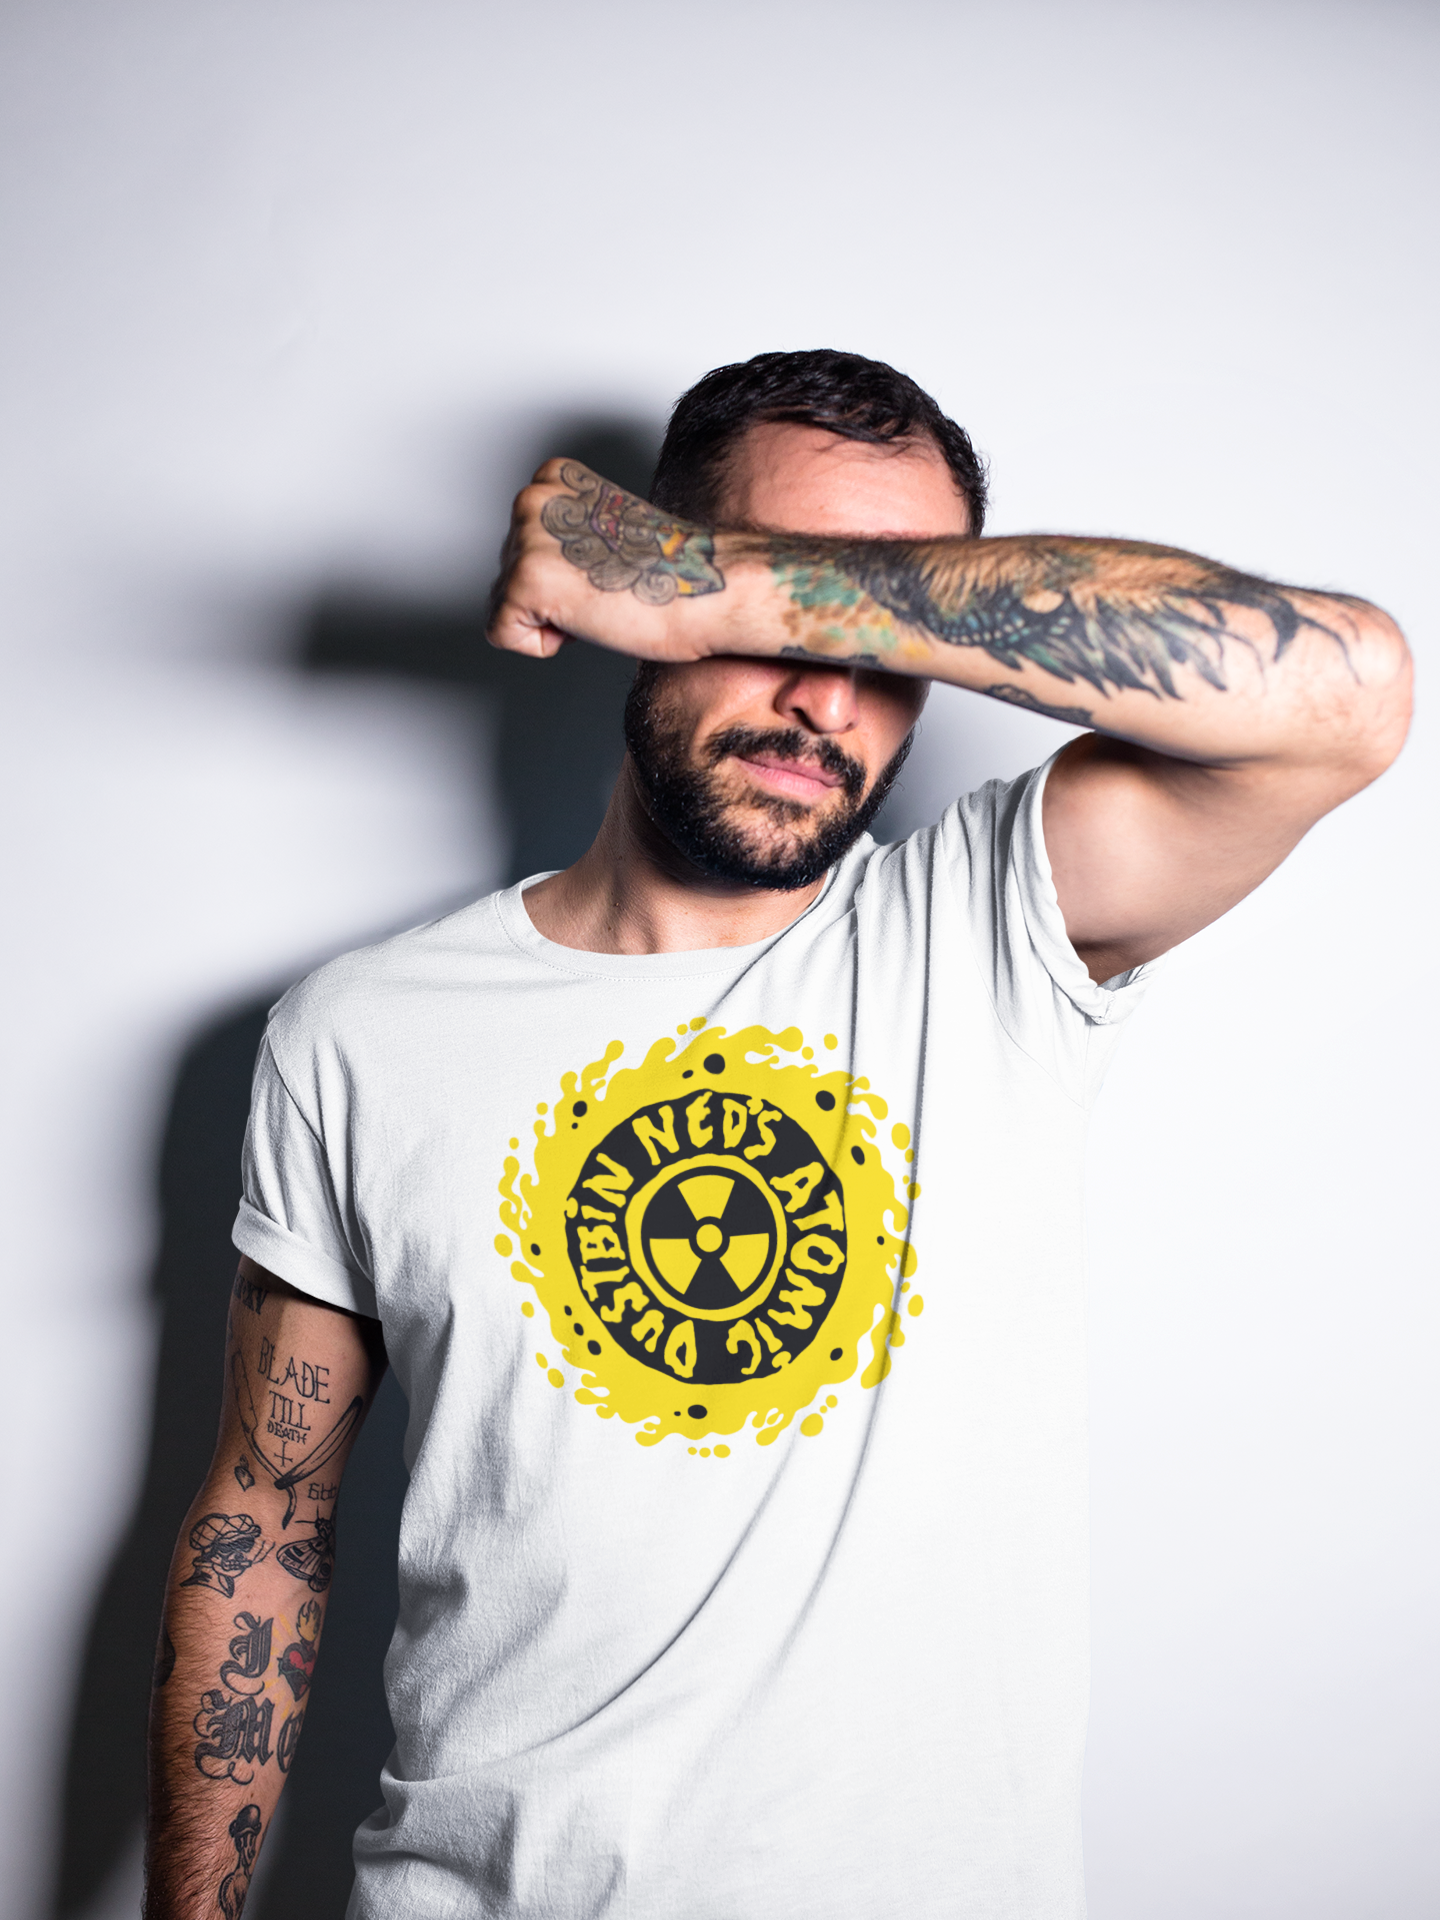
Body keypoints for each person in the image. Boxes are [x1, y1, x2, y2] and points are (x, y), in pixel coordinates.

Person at [145, 349, 1410, 1919]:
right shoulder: (360, 1034)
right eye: (769, 621)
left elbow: (1350, 690)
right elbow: (268, 1521)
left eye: (874, 629)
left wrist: (735, 586)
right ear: (639, 604)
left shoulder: (985, 930)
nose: (825, 697)